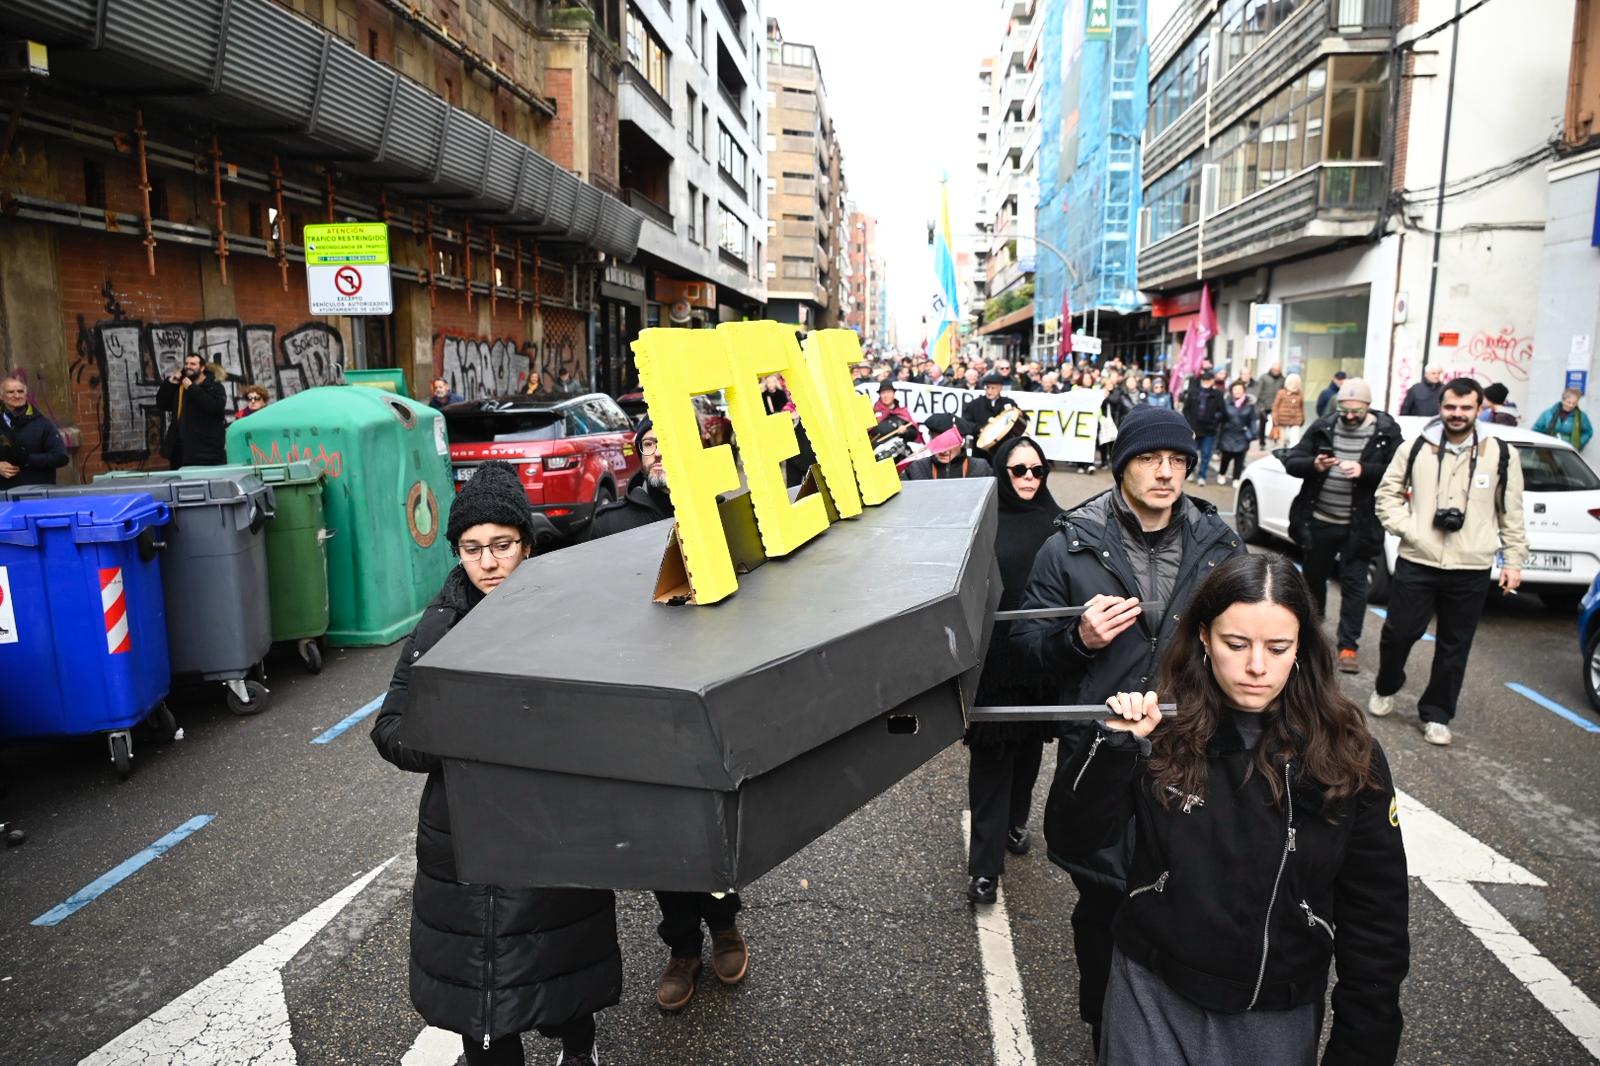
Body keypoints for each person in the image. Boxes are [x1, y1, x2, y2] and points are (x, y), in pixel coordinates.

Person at [1046, 553, 1408, 1066]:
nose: (1257, 666)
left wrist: (1362, 1047)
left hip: (1274, 1010)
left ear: (1301, 644)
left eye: (1277, 647)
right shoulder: (1161, 731)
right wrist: (1111, 751)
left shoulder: (1349, 755)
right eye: (1236, 644)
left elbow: (1378, 917)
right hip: (1149, 990)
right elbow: (1071, 838)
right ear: (1203, 638)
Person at [1013, 405, 1246, 1050]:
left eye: (1177, 461)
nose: (1165, 473)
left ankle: (1173, 1032)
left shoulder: (1220, 546)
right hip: (1101, 752)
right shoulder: (1070, 543)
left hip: (1190, 752)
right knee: (1103, 901)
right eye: (1149, 459)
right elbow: (1025, 650)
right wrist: (1077, 638)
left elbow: (1251, 638)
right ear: (1122, 466)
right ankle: (1102, 1027)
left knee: (1189, 893)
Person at [371, 460, 620, 1066]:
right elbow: (392, 728)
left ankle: (578, 1049)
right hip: (461, 833)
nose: (486, 562)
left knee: (559, 958)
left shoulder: (568, 615)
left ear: (527, 544)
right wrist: (461, 737)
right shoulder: (441, 622)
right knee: (477, 985)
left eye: (501, 546)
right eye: (471, 548)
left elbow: (606, 719)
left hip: (550, 825)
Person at [589, 419, 752, 1012]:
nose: (658, 453)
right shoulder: (612, 522)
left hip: (709, 693)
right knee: (662, 832)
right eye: (649, 445)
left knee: (714, 821)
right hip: (645, 704)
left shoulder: (723, 512)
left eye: (670, 442)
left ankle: (725, 925)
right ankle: (682, 947)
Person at [1371, 378, 1528, 745]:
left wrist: (1513, 561)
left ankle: (1437, 714)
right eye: (1450, 408)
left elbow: (1512, 512)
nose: (1457, 415)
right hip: (1418, 559)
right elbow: (1386, 495)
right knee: (1399, 634)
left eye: (1465, 408)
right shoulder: (1415, 448)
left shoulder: (1501, 454)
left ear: (1479, 409)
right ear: (1441, 408)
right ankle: (1387, 684)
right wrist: (1410, 529)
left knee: (1455, 645)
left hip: (1471, 566)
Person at [965, 435, 1061, 905]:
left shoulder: (1058, 522)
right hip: (995, 664)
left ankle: (1015, 823)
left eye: (1036, 470)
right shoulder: (984, 523)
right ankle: (983, 867)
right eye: (1019, 470)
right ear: (1002, 472)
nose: (1028, 479)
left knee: (1027, 752)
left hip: (1040, 659)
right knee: (992, 763)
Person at [1282, 378, 1403, 674]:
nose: (1348, 417)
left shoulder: (1386, 433)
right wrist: (1315, 465)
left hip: (1359, 525)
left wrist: (1364, 470)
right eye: (1343, 410)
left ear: (1368, 407)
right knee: (1313, 583)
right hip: (1320, 521)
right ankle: (1313, 639)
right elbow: (1292, 460)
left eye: (1355, 412)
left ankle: (1348, 645)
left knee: (1354, 586)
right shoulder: (1324, 425)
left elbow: (1400, 472)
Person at [156, 353, 228, 467]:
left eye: (193, 364)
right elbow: (162, 405)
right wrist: (170, 383)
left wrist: (192, 389)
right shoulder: (180, 387)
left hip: (206, 454)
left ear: (202, 368)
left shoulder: (214, 386)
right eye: (186, 363)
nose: (188, 366)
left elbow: (216, 408)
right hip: (180, 452)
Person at [0, 376, 69, 490]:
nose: (17, 395)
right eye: (11, 392)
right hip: (4, 497)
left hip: (36, 493)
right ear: (2, 396)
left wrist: (28, 460)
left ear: (25, 395)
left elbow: (61, 457)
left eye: (20, 391)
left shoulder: (43, 424)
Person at [902, 413, 993, 480]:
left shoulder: (980, 468)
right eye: (938, 443)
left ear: (961, 441)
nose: (943, 451)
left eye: (949, 444)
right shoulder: (917, 468)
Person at [1181, 371, 1226, 485]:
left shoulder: (1217, 394)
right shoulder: (1193, 393)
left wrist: (1215, 420)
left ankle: (1202, 476)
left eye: (1208, 380)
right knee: (1191, 453)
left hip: (1209, 430)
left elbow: (1222, 411)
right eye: (1204, 380)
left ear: (1212, 381)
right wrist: (1189, 423)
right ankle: (1190, 472)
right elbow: (1186, 409)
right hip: (1194, 429)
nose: (1205, 383)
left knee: (1206, 454)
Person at [1215, 380, 1256, 487]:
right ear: (1231, 391)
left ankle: (1236, 478)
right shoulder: (1226, 402)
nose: (1237, 392)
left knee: (1239, 457)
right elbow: (1220, 415)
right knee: (1226, 456)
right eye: (1235, 389)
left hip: (1242, 434)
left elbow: (1252, 420)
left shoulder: (1249, 405)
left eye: (1239, 389)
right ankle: (1222, 474)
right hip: (1228, 433)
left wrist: (1252, 434)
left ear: (1244, 391)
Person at [872, 380, 923, 446]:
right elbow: (870, 432)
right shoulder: (874, 411)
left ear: (894, 394)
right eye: (883, 393)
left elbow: (914, 434)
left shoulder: (902, 411)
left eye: (889, 392)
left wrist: (906, 431)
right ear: (880, 395)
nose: (886, 395)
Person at [1270, 373, 1306, 447]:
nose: (1295, 384)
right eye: (1293, 382)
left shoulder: (1300, 394)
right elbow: (1275, 407)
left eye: (1296, 382)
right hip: (1281, 420)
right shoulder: (1281, 393)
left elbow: (1301, 407)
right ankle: (1281, 455)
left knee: (1295, 441)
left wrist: (1302, 419)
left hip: (1295, 420)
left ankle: (1293, 456)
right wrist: (1275, 420)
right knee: (1281, 441)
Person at [1255, 363, 1285, 445]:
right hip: (1264, 404)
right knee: (1263, 423)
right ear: (1271, 369)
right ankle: (1262, 441)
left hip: (1276, 405)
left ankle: (1275, 439)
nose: (1276, 372)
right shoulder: (1263, 377)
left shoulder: (1282, 379)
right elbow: (1258, 390)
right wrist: (1259, 404)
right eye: (1275, 370)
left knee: (1276, 423)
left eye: (1278, 370)